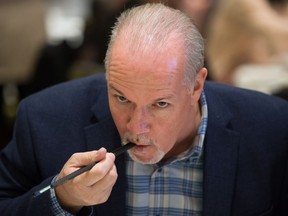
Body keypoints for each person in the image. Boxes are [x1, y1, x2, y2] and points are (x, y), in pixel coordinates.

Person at [0, 3, 287, 216]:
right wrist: (62, 198)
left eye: (160, 104)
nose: (136, 127)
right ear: (108, 76)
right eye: (122, 98)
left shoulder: (272, 128)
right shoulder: (44, 119)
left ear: (197, 86)